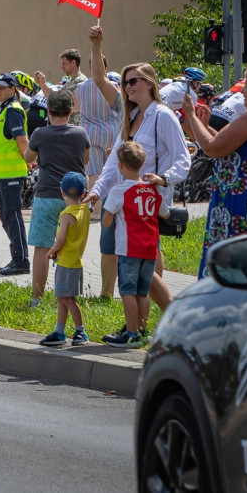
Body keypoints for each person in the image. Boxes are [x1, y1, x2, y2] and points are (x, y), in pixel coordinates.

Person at [84, 46, 190, 314]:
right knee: (137, 260)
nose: (127, 87)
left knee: (141, 261)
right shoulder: (130, 118)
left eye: (132, 81)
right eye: (124, 82)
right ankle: (148, 318)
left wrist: (164, 179)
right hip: (127, 201)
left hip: (148, 202)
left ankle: (164, 315)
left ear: (149, 83)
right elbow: (113, 163)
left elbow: (183, 159)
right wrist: (97, 190)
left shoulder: (163, 116)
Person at [182, 61, 247, 278]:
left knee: (229, 275)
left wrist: (191, 115)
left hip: (238, 207)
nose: (242, 91)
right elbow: (230, 147)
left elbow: (213, 148)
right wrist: (201, 127)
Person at [23, 91, 90, 306]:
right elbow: (85, 160)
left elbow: (28, 157)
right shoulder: (80, 133)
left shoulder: (40, 134)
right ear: (70, 112)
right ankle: (68, 295)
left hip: (47, 195)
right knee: (71, 248)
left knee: (42, 248)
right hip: (74, 199)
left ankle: (37, 299)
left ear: (48, 112)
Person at [101, 141, 169, 348]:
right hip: (149, 249)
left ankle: (130, 333)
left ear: (120, 165)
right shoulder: (153, 190)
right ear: (142, 164)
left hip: (129, 248)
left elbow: (106, 221)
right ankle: (143, 330)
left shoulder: (119, 191)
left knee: (127, 291)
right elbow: (164, 213)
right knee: (142, 292)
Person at [38, 172, 92, 347]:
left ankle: (80, 331)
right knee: (62, 298)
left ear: (62, 192)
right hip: (73, 261)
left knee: (68, 299)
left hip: (67, 263)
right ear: (83, 193)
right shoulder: (84, 210)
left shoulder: (66, 215)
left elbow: (60, 240)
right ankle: (60, 331)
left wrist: (51, 251)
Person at [0, 73, 31, 276]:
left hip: (12, 172)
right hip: (4, 174)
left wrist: (29, 160)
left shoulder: (13, 110)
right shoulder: (4, 110)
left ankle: (21, 261)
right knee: (6, 216)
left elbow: (21, 140)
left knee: (12, 216)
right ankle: (18, 258)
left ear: (13, 90)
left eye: (2, 88)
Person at [77, 27, 122, 220]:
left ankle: (96, 211)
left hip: (89, 131)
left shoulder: (79, 87)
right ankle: (110, 207)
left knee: (94, 171)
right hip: (110, 129)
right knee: (110, 170)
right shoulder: (113, 86)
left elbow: (78, 109)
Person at [34, 49, 88, 125]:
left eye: (64, 64)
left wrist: (43, 84)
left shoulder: (80, 81)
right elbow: (54, 97)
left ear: (73, 62)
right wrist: (42, 84)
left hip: (74, 129)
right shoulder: (71, 81)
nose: (61, 67)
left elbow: (58, 101)